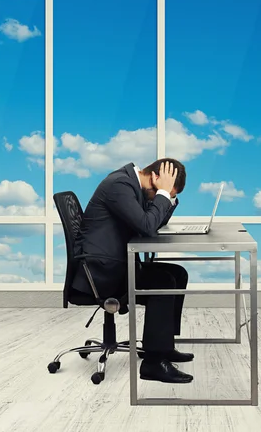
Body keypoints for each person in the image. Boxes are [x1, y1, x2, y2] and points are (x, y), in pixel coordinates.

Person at [72, 159, 194, 384]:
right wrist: (163, 194)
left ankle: (164, 347)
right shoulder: (119, 185)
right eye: (162, 190)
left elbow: (153, 223)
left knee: (178, 274)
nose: (162, 195)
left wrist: (169, 197)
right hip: (101, 271)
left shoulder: (133, 186)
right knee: (163, 282)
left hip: (115, 262)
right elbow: (147, 226)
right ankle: (153, 364)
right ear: (155, 177)